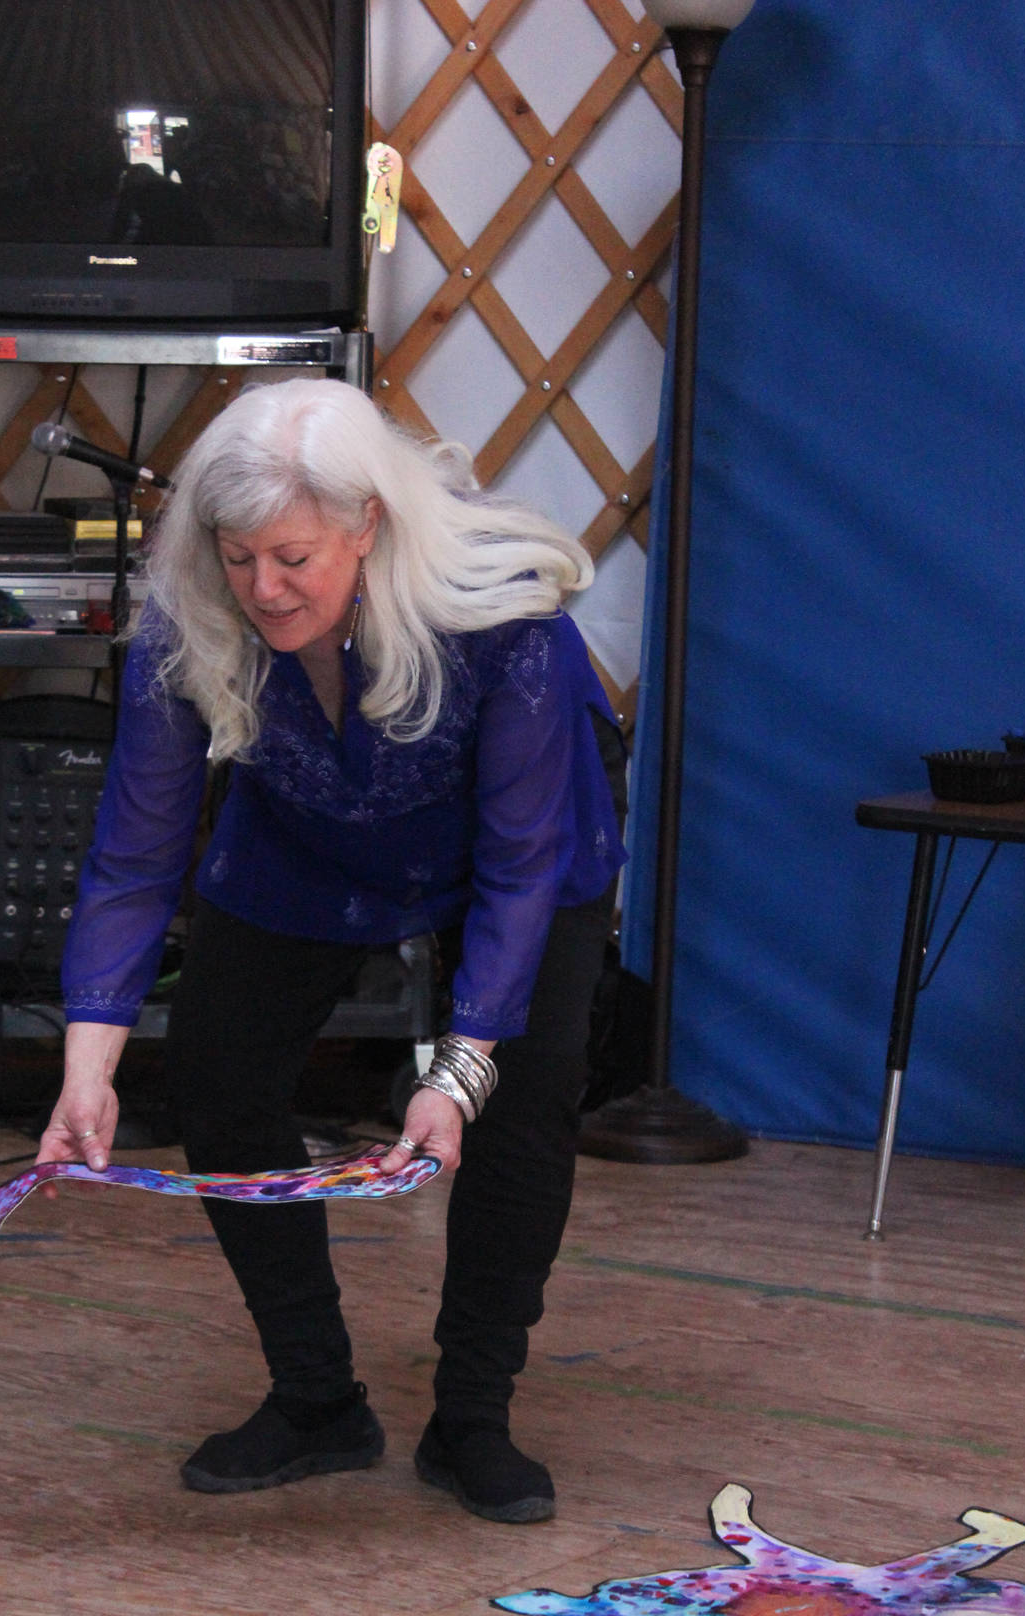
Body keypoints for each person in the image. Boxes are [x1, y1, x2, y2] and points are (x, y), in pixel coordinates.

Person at [38, 377, 625, 1524]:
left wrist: (454, 1075)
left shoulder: (506, 625)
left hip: (521, 855)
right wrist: (87, 1061)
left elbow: (518, 871)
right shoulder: (187, 621)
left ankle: (472, 1418)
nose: (262, 587)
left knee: (526, 1090)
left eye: (294, 558)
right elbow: (133, 855)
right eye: (239, 554)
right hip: (305, 837)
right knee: (215, 1072)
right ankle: (315, 1398)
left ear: (369, 526)